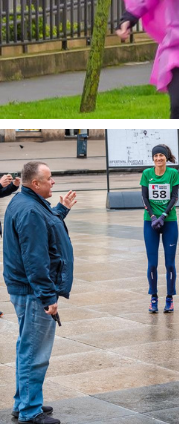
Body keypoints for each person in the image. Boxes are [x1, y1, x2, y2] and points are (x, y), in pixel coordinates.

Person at [4, 162, 76, 424]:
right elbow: (35, 259)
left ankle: (23, 402)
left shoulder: (26, 201)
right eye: (49, 179)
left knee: (27, 347)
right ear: (35, 183)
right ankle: (29, 411)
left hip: (24, 287)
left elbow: (45, 229)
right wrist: (48, 297)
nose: (53, 182)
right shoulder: (31, 210)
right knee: (35, 352)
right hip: (33, 291)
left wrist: (61, 210)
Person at [141, 144, 179, 314]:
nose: (159, 158)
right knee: (152, 264)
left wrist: (164, 215)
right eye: (156, 155)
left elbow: (174, 196)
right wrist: (152, 216)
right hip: (150, 223)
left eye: (161, 155)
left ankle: (169, 298)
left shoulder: (173, 174)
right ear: (153, 158)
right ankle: (153, 296)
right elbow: (144, 196)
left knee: (169, 264)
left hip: (169, 222)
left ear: (166, 157)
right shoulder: (147, 174)